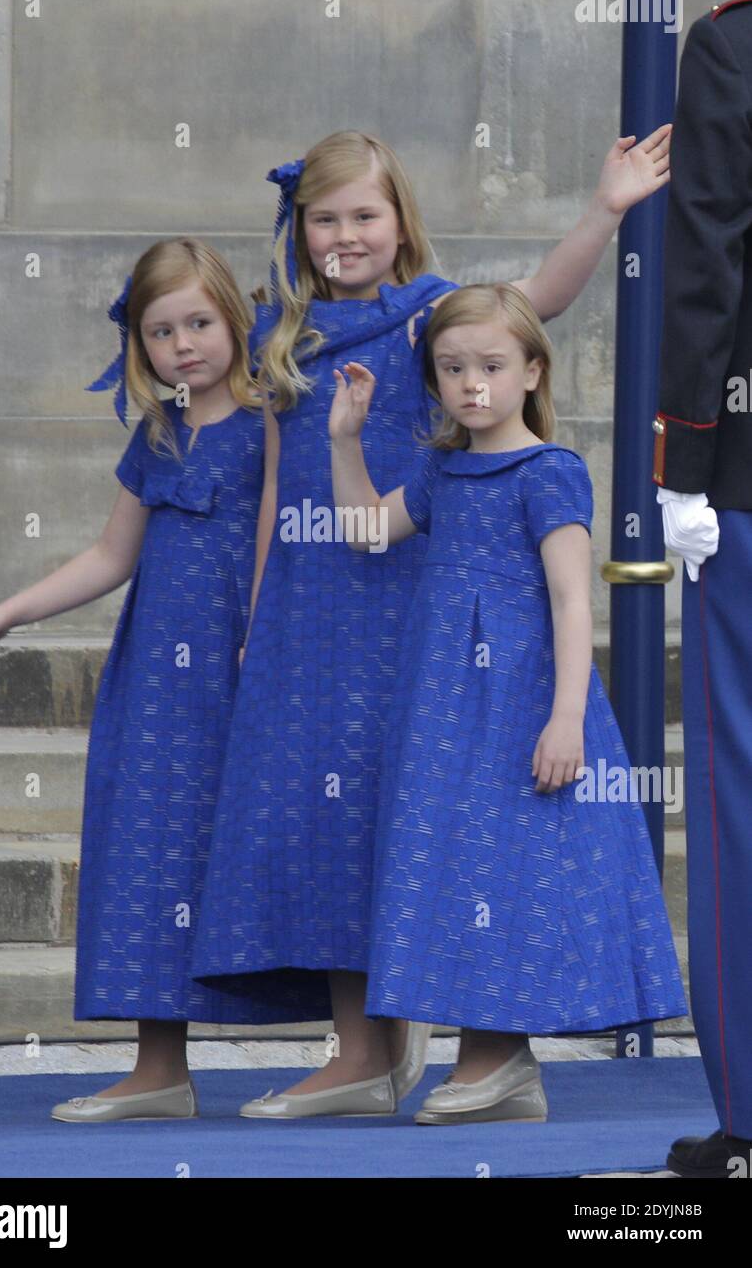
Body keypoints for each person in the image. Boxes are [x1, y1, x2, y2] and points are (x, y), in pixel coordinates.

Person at [191, 126, 673, 1119]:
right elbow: (286, 483)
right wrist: (254, 605)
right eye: (323, 217)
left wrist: (603, 210)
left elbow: (528, 306)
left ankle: (478, 1051)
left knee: (436, 822)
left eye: (364, 214)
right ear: (298, 227)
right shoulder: (283, 330)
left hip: (426, 622)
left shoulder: (432, 322)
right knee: (331, 819)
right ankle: (362, 1055)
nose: (343, 233)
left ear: (400, 220)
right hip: (311, 605)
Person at [329, 282, 687, 1126]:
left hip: (523, 704)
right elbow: (368, 532)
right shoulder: (442, 469)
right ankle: (495, 1065)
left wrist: (566, 717)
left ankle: (496, 1059)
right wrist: (345, 442)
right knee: (453, 863)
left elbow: (571, 599)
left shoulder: (551, 472)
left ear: (532, 370)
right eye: (452, 368)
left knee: (510, 869)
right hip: (444, 708)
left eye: (491, 365)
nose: (471, 384)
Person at [0, 238, 279, 1123]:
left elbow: (278, 541)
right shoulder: (159, 433)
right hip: (156, 683)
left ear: (235, 322)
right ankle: (158, 1068)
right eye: (162, 331)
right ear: (141, 347)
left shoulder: (273, 423)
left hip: (239, 672)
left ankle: (361, 1048)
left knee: (237, 852)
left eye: (200, 322)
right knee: (145, 850)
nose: (185, 344)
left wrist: (263, 644)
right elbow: (109, 554)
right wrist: (9, 612)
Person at [652, 0, 752, 1178]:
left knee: (736, 786)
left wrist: (678, 456)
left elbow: (706, 259)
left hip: (741, 469)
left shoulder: (732, 43)